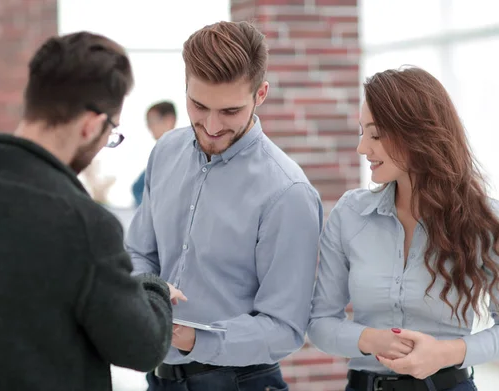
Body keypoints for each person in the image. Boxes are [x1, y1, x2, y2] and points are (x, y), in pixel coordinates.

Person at [0, 31, 178, 391]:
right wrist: (154, 288)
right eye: (112, 134)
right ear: (91, 125)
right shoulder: (83, 225)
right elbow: (141, 347)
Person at [125, 21, 323, 390]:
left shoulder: (288, 193)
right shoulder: (165, 152)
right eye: (198, 106)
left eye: (230, 111)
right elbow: (138, 251)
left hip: (240, 382)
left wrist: (193, 339)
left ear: (260, 94)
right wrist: (148, 288)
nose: (212, 126)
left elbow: (285, 328)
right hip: (159, 378)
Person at [307, 66, 499, 391]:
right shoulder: (350, 215)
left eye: (376, 135)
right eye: (361, 132)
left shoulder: (484, 220)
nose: (362, 148)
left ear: (417, 133)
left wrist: (446, 353)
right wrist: (369, 339)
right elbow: (320, 322)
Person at [132, 101, 177, 206]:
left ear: (169, 120)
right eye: (147, 122)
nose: (149, 127)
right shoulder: (160, 153)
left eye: (152, 121)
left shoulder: (178, 153)